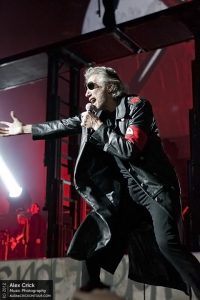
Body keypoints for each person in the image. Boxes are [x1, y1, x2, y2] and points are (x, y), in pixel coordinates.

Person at [0, 66, 200, 298]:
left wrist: (97, 126)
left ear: (111, 87)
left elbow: (130, 149)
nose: (87, 93)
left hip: (154, 190)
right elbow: (64, 125)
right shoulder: (97, 116)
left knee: (168, 245)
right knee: (93, 249)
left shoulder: (138, 106)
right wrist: (24, 128)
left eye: (92, 85)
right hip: (126, 198)